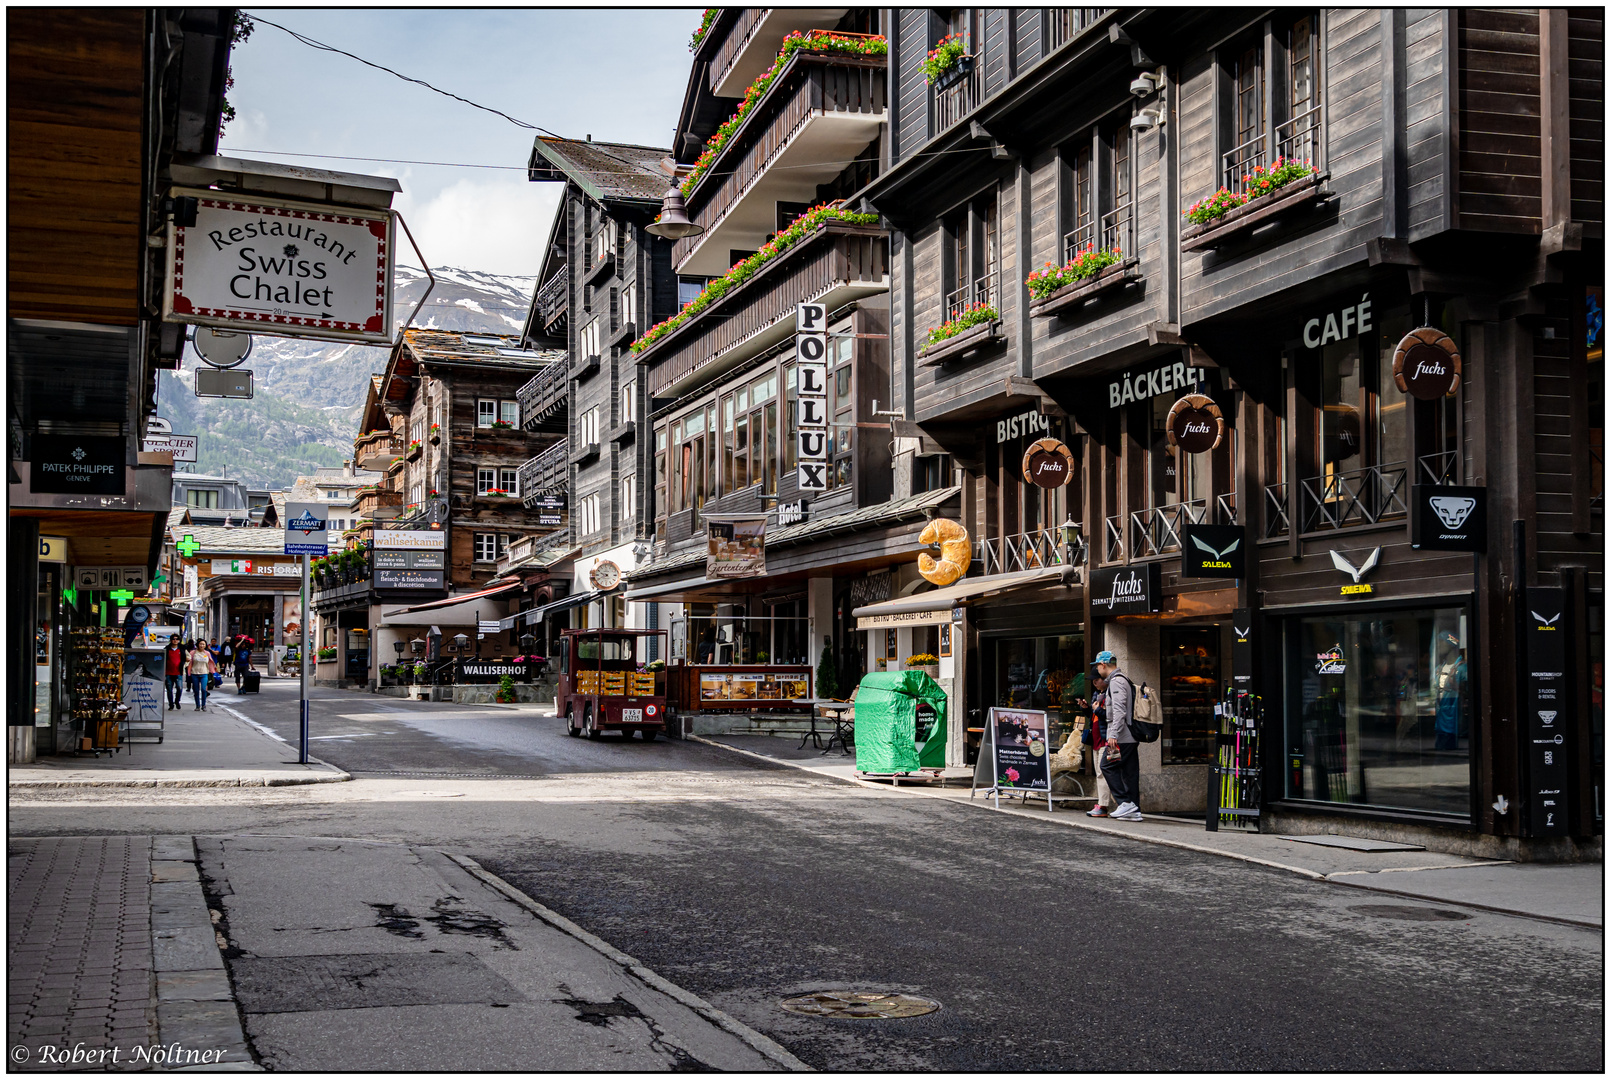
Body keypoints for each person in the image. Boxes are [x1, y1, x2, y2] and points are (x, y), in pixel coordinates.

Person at [1093, 650, 1142, 821]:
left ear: (1103, 665)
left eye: (1097, 666)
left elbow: (1120, 710)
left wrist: (1112, 734)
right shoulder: (1122, 680)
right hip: (1128, 736)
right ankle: (1134, 809)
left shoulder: (1116, 682)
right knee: (1130, 772)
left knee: (1106, 766)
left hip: (1121, 736)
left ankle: (1125, 803)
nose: (1097, 670)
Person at [1085, 675, 1116, 817]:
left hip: (1106, 739)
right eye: (1093, 680)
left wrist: (1097, 710)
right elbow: (1093, 716)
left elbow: (1112, 716)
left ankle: (1103, 805)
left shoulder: (1111, 693)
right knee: (1100, 772)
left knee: (1101, 772)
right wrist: (1087, 709)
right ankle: (1102, 804)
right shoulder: (1096, 694)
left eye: (1097, 679)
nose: (1094, 682)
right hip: (1096, 739)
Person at [188, 640, 218, 711]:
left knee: (204, 690)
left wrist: (213, 670)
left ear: (205, 645)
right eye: (200, 644)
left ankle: (203, 705)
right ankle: (197, 705)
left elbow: (210, 662)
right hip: (194, 673)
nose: (202, 646)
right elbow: (189, 663)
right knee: (196, 690)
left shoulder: (207, 653)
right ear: (198, 645)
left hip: (204, 673)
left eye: (203, 644)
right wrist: (188, 672)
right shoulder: (193, 653)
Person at [164, 635, 185, 710]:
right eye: (173, 639)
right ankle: (171, 704)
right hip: (168, 673)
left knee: (179, 688)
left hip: (178, 672)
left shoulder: (181, 649)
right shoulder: (167, 649)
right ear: (170, 640)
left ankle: (177, 701)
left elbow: (186, 658)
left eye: (177, 639)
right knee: (169, 690)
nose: (175, 640)